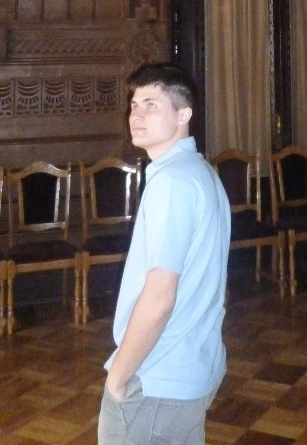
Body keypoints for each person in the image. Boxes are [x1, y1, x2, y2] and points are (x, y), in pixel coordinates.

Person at [98, 62, 231, 445]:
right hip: (192, 367)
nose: (136, 115)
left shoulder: (173, 181)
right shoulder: (200, 172)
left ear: (183, 114)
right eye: (134, 105)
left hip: (157, 377)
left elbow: (159, 297)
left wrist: (119, 377)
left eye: (151, 104)